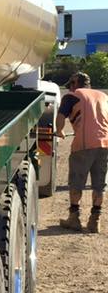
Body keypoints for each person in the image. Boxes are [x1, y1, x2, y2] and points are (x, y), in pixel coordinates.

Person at [56, 72, 108, 233]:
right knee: (99, 184)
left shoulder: (72, 96)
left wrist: (59, 131)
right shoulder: (103, 96)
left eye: (70, 85)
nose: (70, 88)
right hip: (105, 143)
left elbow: (60, 116)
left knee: (76, 181)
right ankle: (95, 221)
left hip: (84, 144)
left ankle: (74, 218)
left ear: (74, 83)